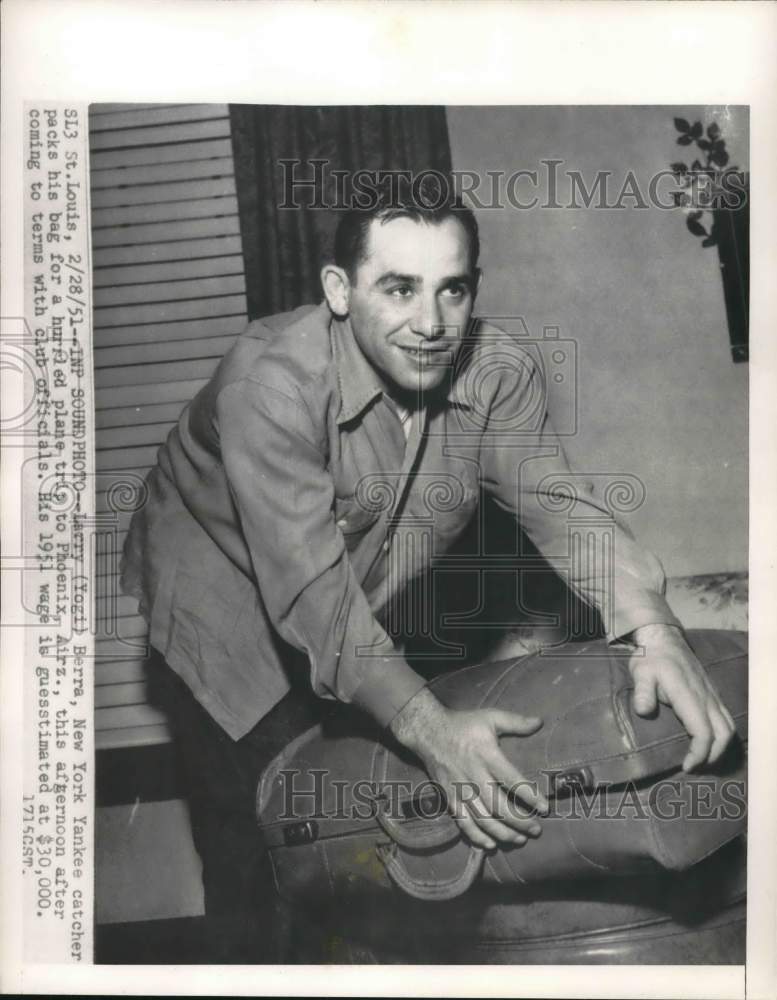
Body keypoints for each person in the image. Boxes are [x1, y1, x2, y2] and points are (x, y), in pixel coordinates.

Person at [121, 190, 736, 961]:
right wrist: (431, 730)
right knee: (270, 846)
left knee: (380, 818)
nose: (431, 322)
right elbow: (314, 597)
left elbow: (558, 507)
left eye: (453, 288)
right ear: (339, 290)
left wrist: (655, 631)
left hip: (357, 588)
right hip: (221, 608)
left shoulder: (497, 369)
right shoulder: (269, 386)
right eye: (399, 288)